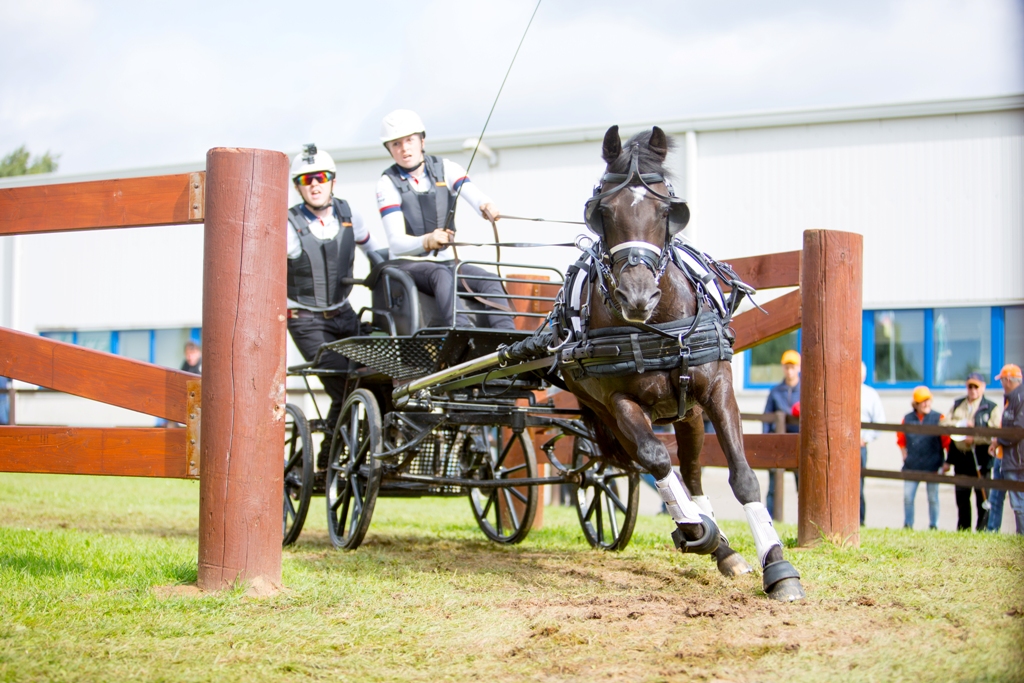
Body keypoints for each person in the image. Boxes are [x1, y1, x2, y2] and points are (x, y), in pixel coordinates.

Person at [286, 144, 385, 463]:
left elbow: (378, 256)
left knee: (378, 373)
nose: (314, 183)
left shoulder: (349, 215)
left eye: (321, 176)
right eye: (305, 179)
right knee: (344, 379)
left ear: (332, 181)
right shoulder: (286, 226)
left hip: (344, 315)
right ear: (298, 186)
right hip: (306, 320)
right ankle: (329, 459)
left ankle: (357, 454)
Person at [375, 109, 514, 330]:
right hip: (409, 265)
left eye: (409, 140)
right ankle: (462, 334)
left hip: (447, 263)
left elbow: (471, 192)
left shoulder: (447, 168)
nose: (404, 149)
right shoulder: (387, 183)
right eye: (396, 144)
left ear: (422, 140)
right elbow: (396, 243)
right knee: (440, 274)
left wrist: (485, 205)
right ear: (389, 149)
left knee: (489, 279)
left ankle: (507, 338)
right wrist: (427, 240)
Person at [941, 372, 1000, 531]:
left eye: (976, 386)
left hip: (981, 457)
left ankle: (982, 529)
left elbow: (995, 432)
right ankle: (963, 529)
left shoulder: (991, 407)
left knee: (982, 496)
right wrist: (961, 424)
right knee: (961, 496)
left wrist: (974, 438)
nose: (973, 390)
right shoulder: (958, 404)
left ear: (983, 387)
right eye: (970, 386)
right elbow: (945, 422)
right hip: (961, 457)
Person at [897, 386, 950, 530]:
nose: (926, 404)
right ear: (915, 403)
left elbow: (947, 441)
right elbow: (900, 438)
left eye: (928, 400)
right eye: (922, 401)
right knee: (908, 498)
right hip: (912, 465)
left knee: (933, 498)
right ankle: (908, 525)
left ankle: (934, 526)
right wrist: (904, 454)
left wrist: (947, 462)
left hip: (933, 464)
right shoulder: (907, 418)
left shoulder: (939, 417)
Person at [763, 349, 800, 518]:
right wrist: (766, 441)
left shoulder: (806, 390)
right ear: (783, 368)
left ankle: (805, 518)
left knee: (804, 484)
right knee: (773, 484)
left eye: (793, 367)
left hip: (798, 442)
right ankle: (770, 518)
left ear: (798, 368)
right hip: (778, 443)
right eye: (787, 367)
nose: (790, 370)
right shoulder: (775, 391)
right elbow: (767, 417)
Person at [993, 364, 1024, 534]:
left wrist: (999, 440)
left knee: (1019, 503)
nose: (1002, 385)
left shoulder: (1019, 399)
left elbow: (1017, 431)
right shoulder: (1011, 399)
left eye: (1002, 381)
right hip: (1011, 459)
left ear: (1008, 380)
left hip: (1017, 460)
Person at [860, 361, 885, 526]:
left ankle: (859, 521)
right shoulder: (840, 391)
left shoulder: (870, 394)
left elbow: (879, 422)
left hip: (859, 447)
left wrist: (866, 438)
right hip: (838, 447)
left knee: (857, 486)